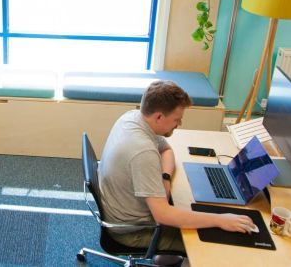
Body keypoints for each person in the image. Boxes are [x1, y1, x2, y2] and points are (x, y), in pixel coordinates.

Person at [98, 80, 255, 253]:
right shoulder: (143, 152)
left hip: (125, 212)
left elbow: (166, 149)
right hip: (134, 231)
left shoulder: (133, 118)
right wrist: (221, 220)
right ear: (159, 116)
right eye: (177, 119)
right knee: (211, 247)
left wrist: (165, 178)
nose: (179, 124)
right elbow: (163, 214)